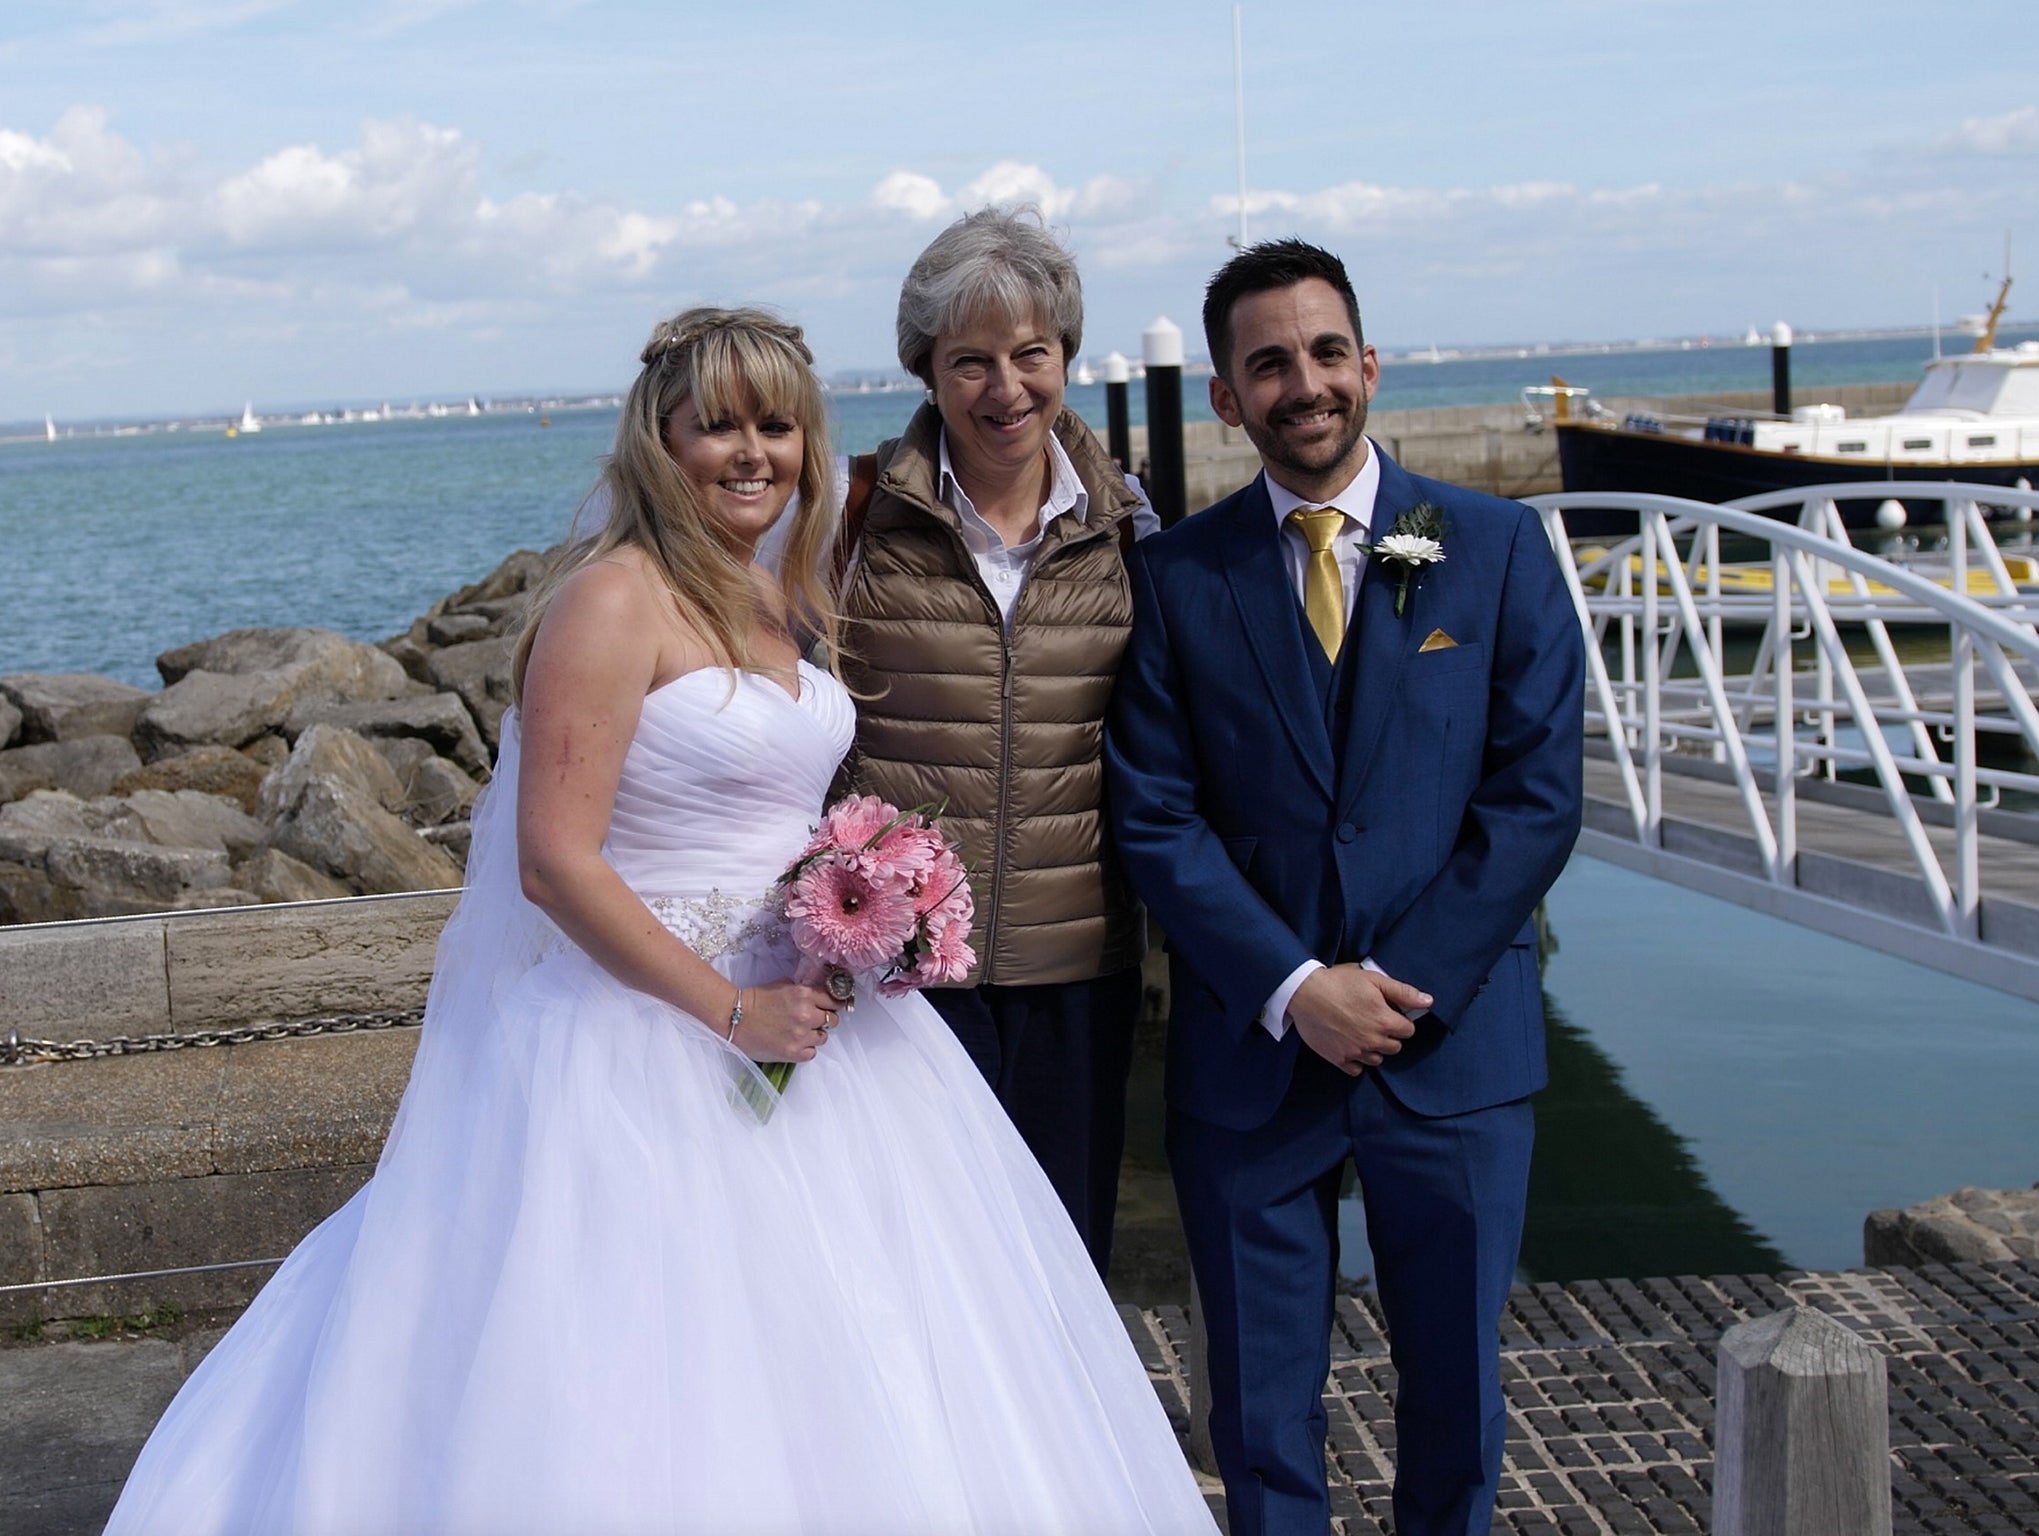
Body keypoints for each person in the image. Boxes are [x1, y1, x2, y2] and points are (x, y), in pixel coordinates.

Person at [105, 307, 1214, 1536]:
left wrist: (867, 893)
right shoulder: (611, 601)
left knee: (872, 1339)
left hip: (822, 1025)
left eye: (777, 426)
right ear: (659, 438)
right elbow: (554, 863)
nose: (753, 454)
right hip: (651, 1031)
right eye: (719, 426)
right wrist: (730, 1009)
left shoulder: (772, 594)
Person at [1105, 241, 1584, 1536]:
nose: (1302, 385)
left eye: (1325, 354)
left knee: (1457, 1414)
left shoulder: (1475, 545)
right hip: (1255, 1061)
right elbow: (1155, 814)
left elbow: (1535, 796)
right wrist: (1295, 986)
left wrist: (1398, 986)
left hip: (1455, 1048)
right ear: (1224, 397)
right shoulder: (1180, 579)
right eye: (1268, 364)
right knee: (1258, 1426)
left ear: (1368, 366)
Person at [829, 207, 1153, 1275]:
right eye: (970, 361)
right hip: (903, 977)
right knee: (912, 1272)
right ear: (925, 368)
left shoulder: (1130, 530)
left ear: (1064, 355)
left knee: (1061, 1263)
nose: (1005, 389)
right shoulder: (851, 518)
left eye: (1030, 354)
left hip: (1076, 968)